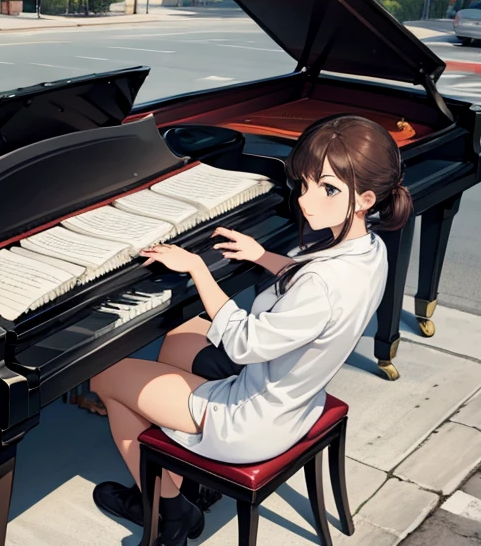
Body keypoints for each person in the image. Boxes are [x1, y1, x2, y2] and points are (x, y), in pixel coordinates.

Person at [88, 115, 414, 545]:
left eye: (328, 189)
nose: (306, 201)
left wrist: (197, 268)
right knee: (181, 334)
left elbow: (243, 343)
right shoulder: (371, 251)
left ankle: (170, 513)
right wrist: (263, 256)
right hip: (296, 400)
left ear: (366, 198)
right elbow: (314, 289)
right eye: (305, 184)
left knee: (105, 377)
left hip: (251, 422)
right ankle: (188, 477)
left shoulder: (322, 284)